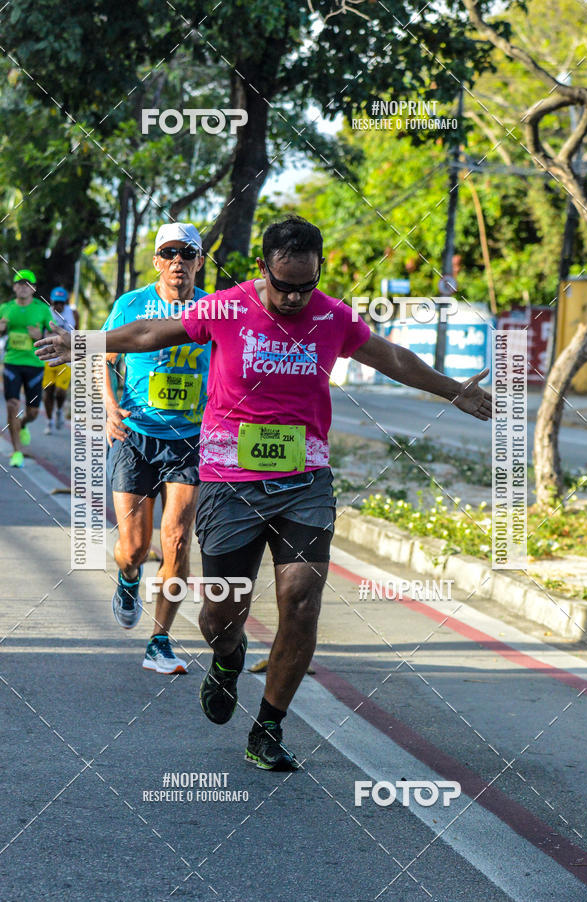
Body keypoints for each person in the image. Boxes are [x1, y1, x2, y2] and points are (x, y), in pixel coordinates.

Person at [36, 215, 492, 770]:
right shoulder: (226, 307)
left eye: (306, 284)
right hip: (230, 483)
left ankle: (268, 727)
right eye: (284, 285)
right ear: (262, 270)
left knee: (300, 604)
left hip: (305, 483)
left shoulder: (331, 315)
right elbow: (152, 333)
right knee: (219, 617)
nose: (296, 297)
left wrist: (453, 391)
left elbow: (391, 358)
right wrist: (86, 342)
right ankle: (227, 659)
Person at [101, 222, 211, 674]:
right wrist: (109, 408)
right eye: (169, 253)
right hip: (136, 436)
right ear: (156, 260)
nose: (178, 262)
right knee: (134, 548)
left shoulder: (214, 309)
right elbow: (101, 357)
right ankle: (128, 580)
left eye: (187, 253)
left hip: (190, 438)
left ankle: (160, 641)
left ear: (200, 260)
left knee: (178, 541)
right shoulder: (130, 305)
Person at [0, 269, 53, 467]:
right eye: (19, 283)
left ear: (34, 288)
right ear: (14, 287)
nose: (23, 287)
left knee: (31, 413)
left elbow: (53, 337)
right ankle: (17, 452)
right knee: (12, 405)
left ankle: (21, 425)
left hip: (35, 365)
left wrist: (40, 336)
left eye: (27, 284)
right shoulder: (5, 308)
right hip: (12, 363)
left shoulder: (42, 309)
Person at [42, 286, 79, 434]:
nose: (58, 305)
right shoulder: (46, 313)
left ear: (66, 302)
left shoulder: (73, 314)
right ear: (51, 301)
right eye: (56, 302)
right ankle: (49, 421)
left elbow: (78, 333)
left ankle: (59, 411)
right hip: (48, 358)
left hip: (66, 358)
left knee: (60, 392)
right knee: (47, 392)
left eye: (61, 303)